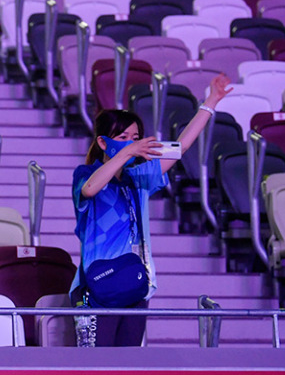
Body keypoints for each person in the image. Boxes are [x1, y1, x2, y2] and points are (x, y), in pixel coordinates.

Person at [71, 73, 233, 347]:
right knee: (97, 366)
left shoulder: (139, 177)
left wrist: (211, 102)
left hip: (134, 283)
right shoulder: (85, 174)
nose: (132, 142)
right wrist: (127, 151)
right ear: (102, 143)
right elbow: (89, 189)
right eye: (123, 137)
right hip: (98, 286)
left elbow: (181, 147)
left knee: (130, 364)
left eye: (136, 137)